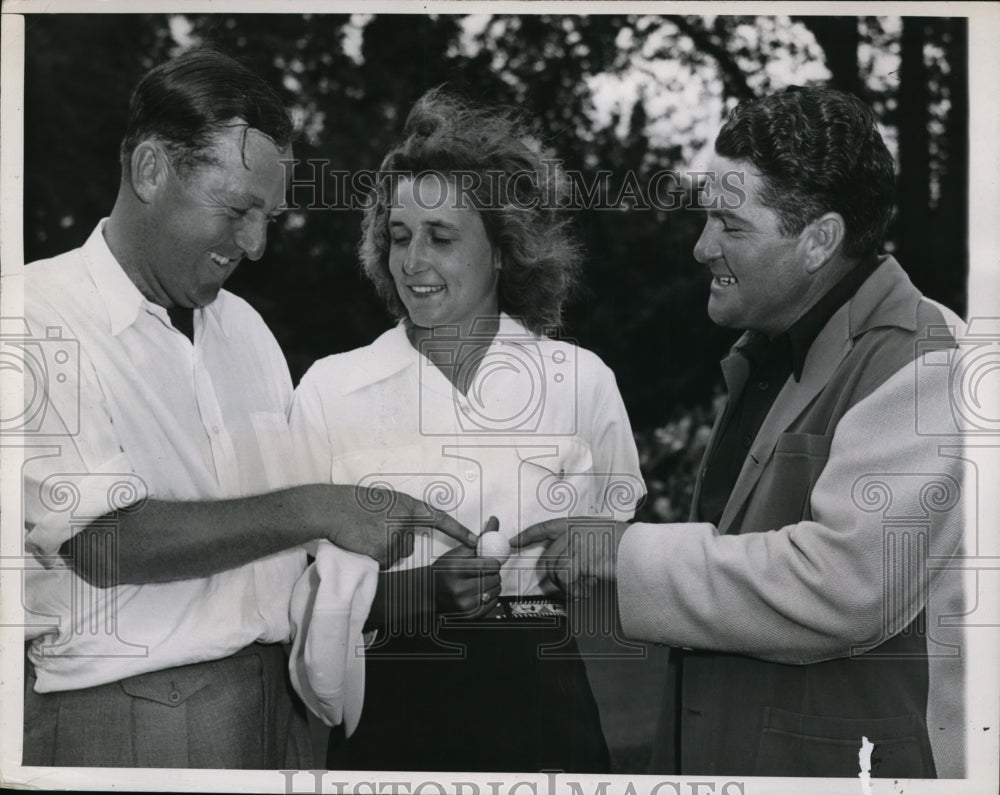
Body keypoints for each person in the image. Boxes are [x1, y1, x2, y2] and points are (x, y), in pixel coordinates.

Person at [20, 50, 474, 769]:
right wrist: (321, 505)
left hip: (279, 710)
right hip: (134, 719)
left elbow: (276, 554)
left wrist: (420, 585)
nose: (257, 245)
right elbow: (102, 544)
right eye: (236, 210)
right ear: (149, 171)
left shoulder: (247, 331)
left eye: (268, 216)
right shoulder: (31, 316)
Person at [515, 86, 967, 778]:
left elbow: (845, 585)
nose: (701, 247)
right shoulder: (772, 349)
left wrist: (623, 553)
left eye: (730, 223)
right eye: (705, 217)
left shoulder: (926, 358)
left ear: (819, 239)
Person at [290, 89, 645, 773]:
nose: (413, 261)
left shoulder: (581, 381)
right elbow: (292, 593)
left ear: (506, 248)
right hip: (392, 714)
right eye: (399, 236)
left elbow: (613, 536)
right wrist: (415, 596)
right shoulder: (329, 390)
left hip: (546, 706)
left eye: (442, 237)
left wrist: (582, 559)